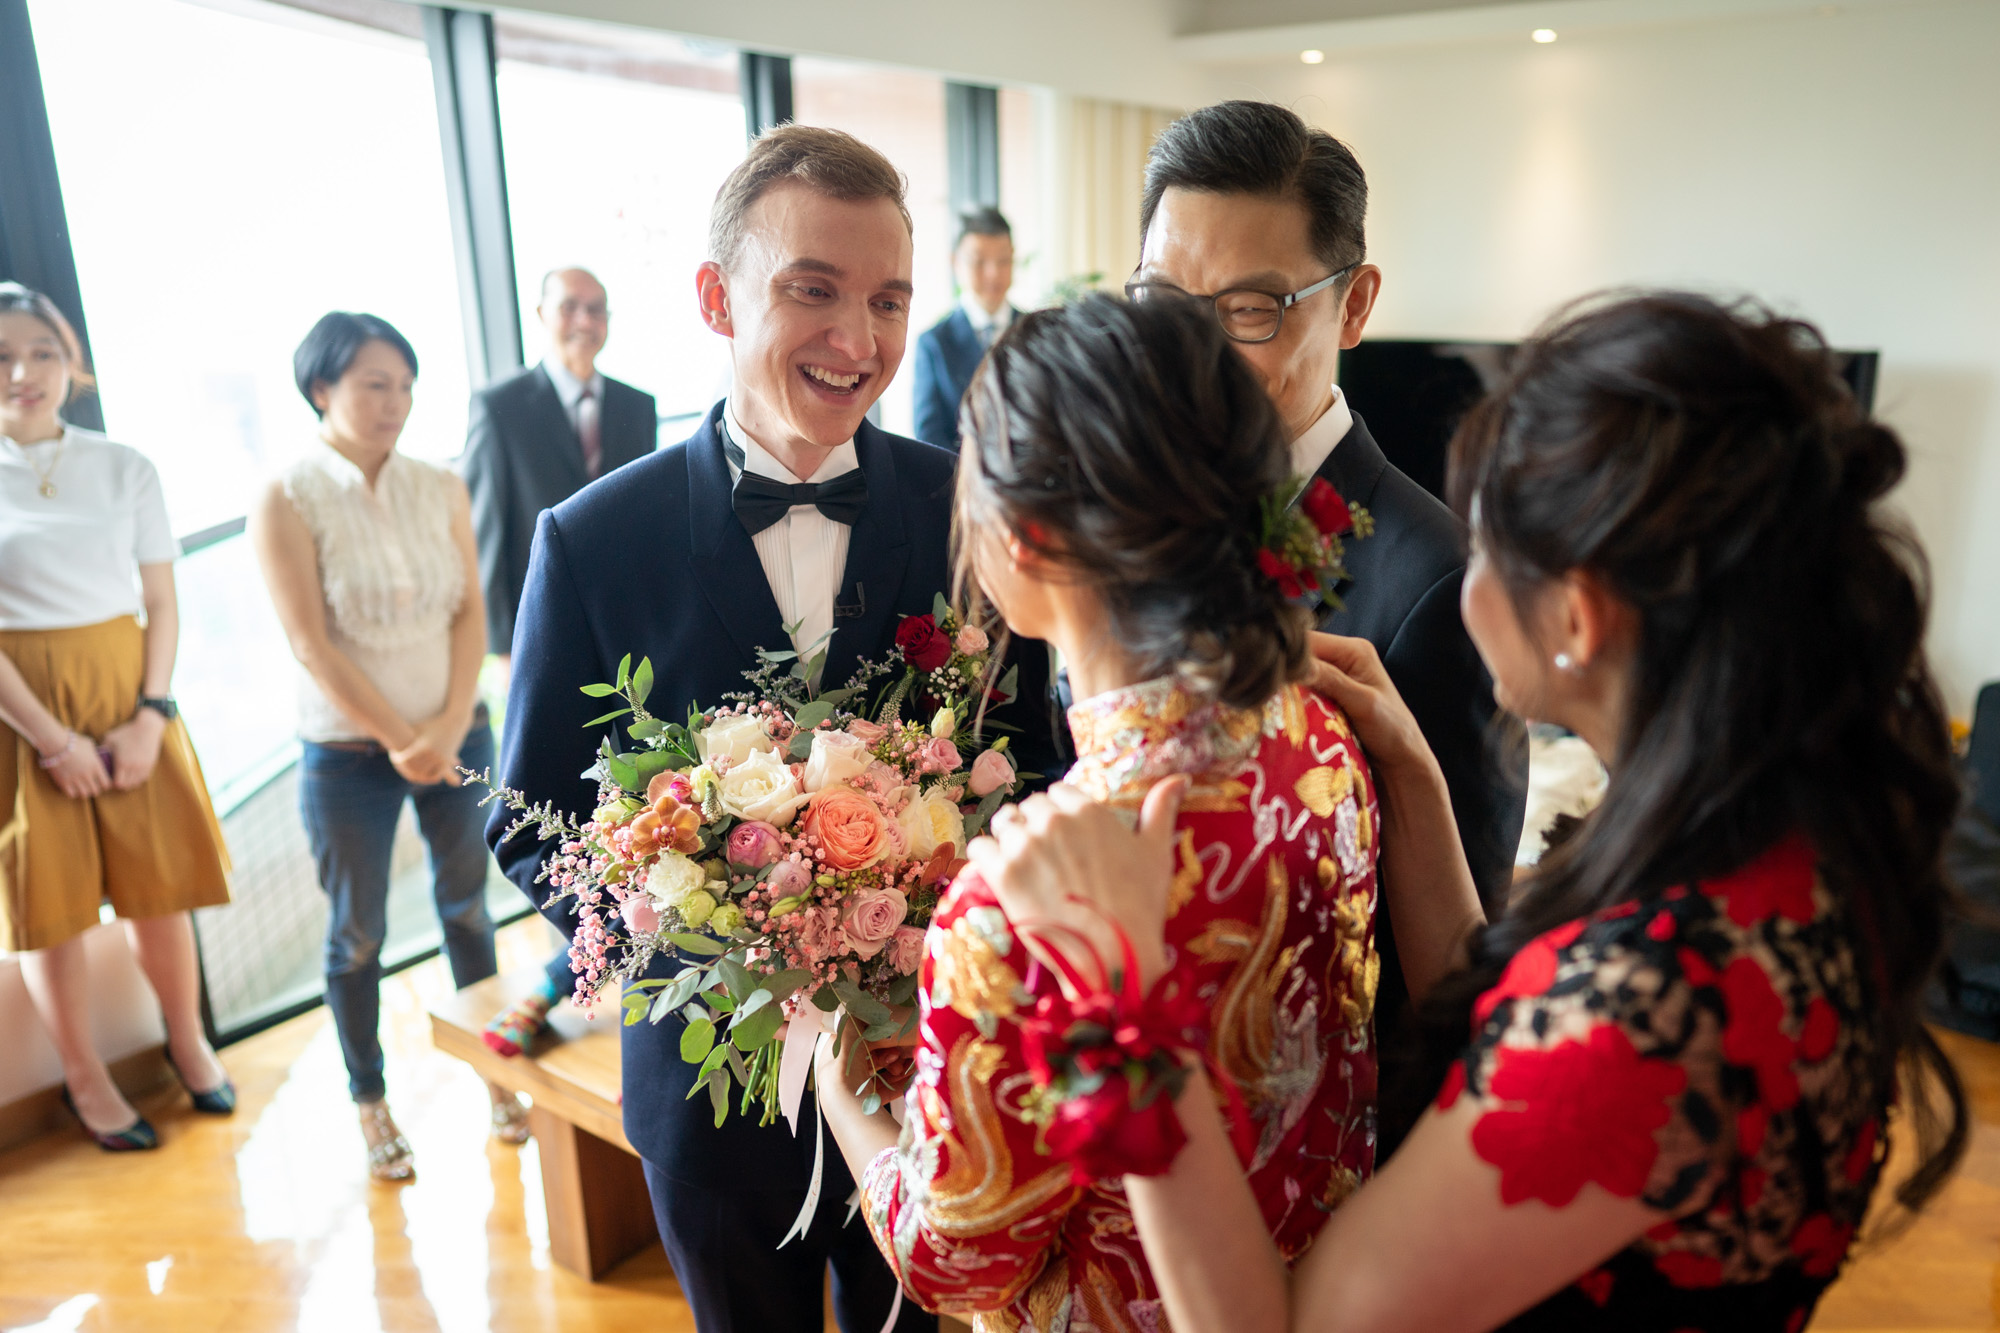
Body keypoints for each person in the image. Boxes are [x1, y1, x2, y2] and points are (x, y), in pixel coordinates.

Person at [968, 292, 1968, 1332]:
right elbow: (1511, 1036)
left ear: (1575, 617)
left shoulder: (1650, 1007)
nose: (1461, 572)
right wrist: (1412, 775)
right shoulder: (1779, 854)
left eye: (1483, 545)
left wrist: (1124, 1005)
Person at [492, 124, 1057, 1333]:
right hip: (711, 1098)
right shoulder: (589, 540)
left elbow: (1035, 769)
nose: (858, 340)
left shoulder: (966, 509)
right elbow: (529, 818)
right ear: (716, 297)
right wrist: (716, 945)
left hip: (928, 1079)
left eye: (887, 300)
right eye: (813, 290)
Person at [815, 293, 1383, 1329]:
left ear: (1027, 539)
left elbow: (956, 1264)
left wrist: (841, 1100)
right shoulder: (1319, 733)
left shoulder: (1013, 913)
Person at [1129, 101, 1525, 926]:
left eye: (1249, 308)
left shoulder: (1442, 583)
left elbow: (1450, 954)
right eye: (1164, 300)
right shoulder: (1122, 517)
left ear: (1353, 306)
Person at [249, 311, 519, 1183]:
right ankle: (370, 1098)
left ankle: (495, 1074)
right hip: (347, 757)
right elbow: (310, 642)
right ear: (321, 387)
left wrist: (445, 726)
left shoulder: (439, 483)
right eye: (374, 384)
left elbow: (471, 612)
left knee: (468, 910)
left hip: (455, 731)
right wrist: (404, 739)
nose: (394, 401)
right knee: (357, 934)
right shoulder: (286, 494)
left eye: (404, 385)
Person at [0, 282, 234, 1150]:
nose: (23, 372)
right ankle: (85, 1078)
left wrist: (149, 715)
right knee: (50, 909)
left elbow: (161, 601)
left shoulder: (124, 464)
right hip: (20, 712)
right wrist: (51, 740)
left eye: (42, 352)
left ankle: (188, 1040)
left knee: (156, 890)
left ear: (71, 363)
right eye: (2, 356)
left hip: (129, 689)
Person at [461, 266, 656, 1059]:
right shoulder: (499, 406)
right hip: (539, 645)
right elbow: (490, 533)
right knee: (556, 815)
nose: (585, 320)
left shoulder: (637, 405)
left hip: (632, 650)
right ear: (541, 313)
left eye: (597, 308)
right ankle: (566, 969)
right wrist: (508, 654)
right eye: (570, 306)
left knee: (634, 811)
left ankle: (579, 974)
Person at [910, 206, 1017, 449]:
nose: (993, 273)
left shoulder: (1038, 333)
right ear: (956, 262)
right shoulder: (934, 343)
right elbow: (929, 437)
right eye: (979, 261)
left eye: (1003, 260)